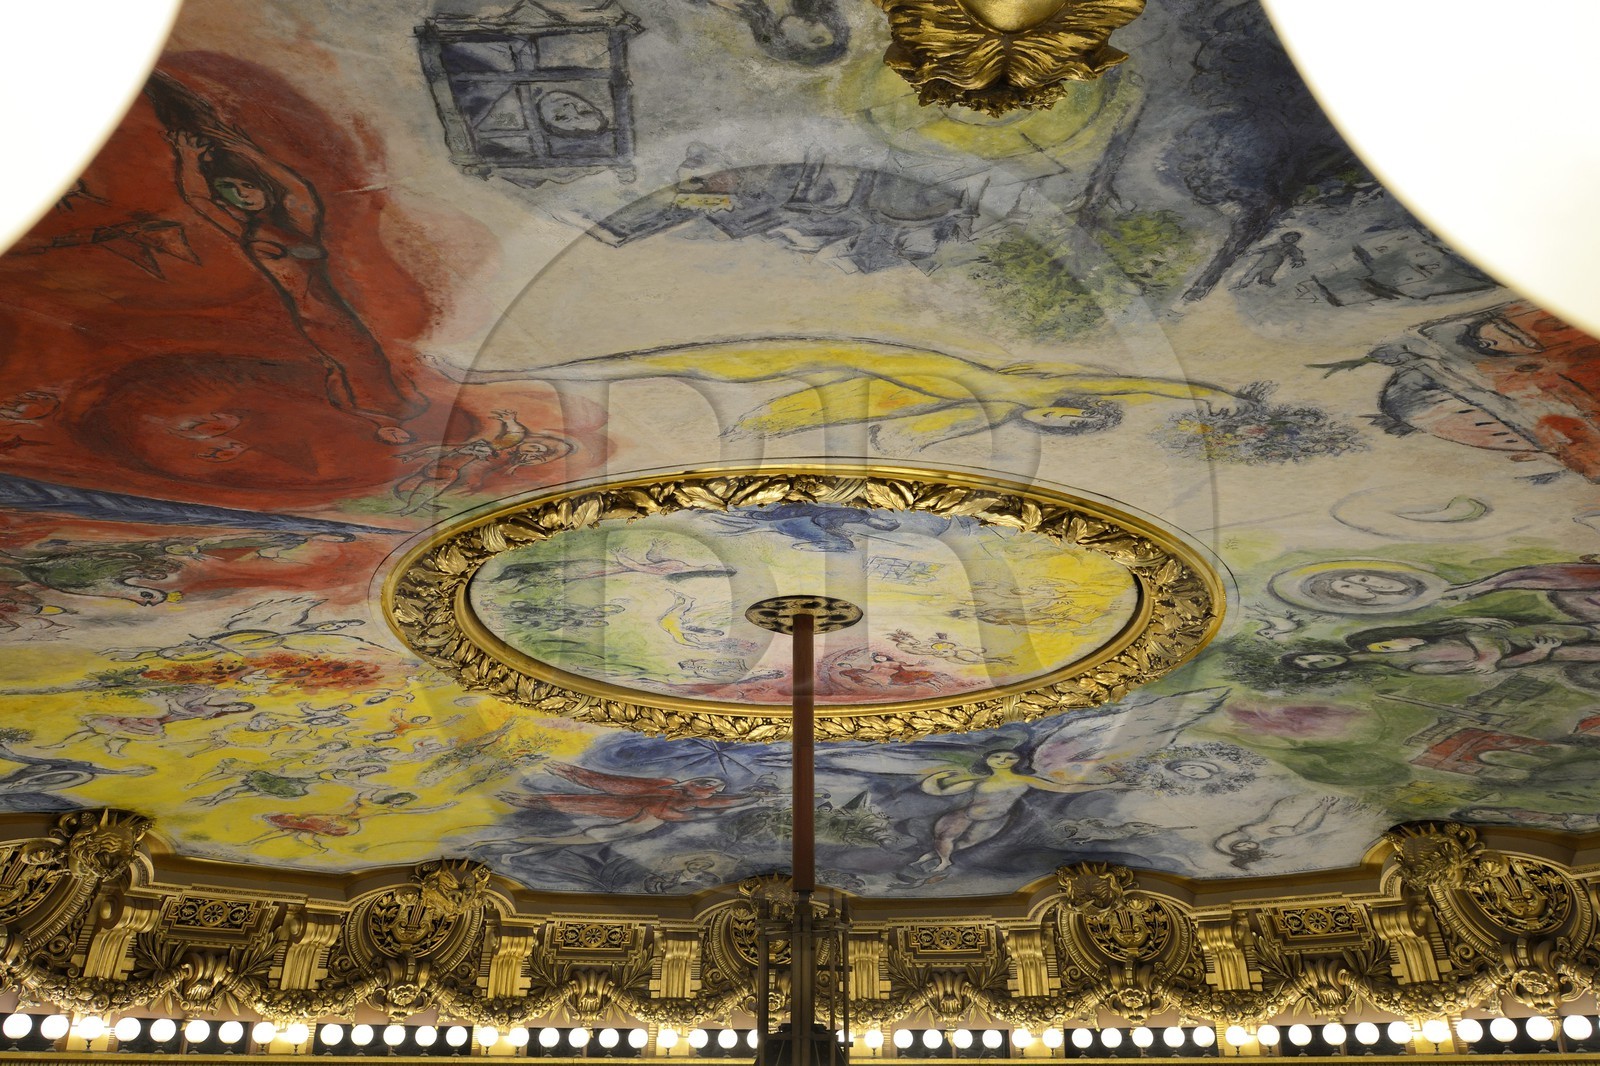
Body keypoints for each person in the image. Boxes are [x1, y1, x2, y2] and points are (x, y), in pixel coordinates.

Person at [149, 72, 425, 444]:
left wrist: (243, 148)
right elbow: (199, 201)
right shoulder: (247, 231)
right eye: (230, 191)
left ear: (263, 190)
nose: (241, 196)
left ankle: (383, 419)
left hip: (333, 316)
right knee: (349, 366)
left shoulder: (298, 221)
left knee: (363, 365)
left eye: (247, 187)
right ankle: (379, 419)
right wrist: (188, 159)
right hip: (307, 317)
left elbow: (294, 185)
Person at [910, 750, 1113, 873]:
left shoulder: (1025, 780)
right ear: (988, 761)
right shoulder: (981, 780)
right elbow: (939, 790)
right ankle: (943, 861)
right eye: (996, 756)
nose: (1002, 759)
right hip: (965, 815)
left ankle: (936, 858)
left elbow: (1061, 787)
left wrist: (1102, 785)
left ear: (1016, 761)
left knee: (967, 843)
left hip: (995, 819)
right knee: (945, 835)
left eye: (1009, 757)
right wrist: (940, 777)